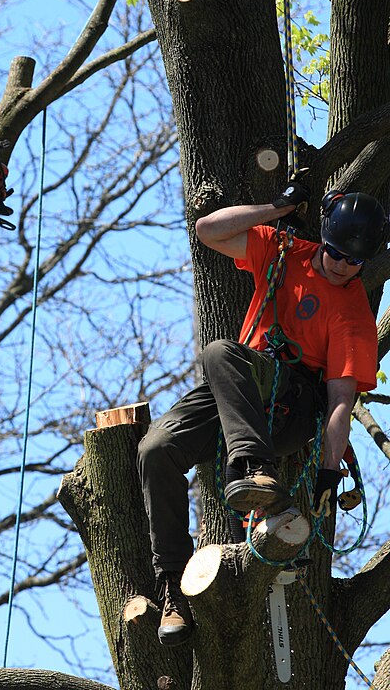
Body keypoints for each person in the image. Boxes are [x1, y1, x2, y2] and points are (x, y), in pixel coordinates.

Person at [138, 183, 386, 647]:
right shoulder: (285, 249)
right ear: (325, 238)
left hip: (290, 407)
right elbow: (207, 230)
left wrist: (328, 475)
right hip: (239, 389)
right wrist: (279, 208)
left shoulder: (353, 314)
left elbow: (338, 401)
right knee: (155, 450)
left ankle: (257, 470)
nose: (342, 266)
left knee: (219, 353)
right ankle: (172, 584)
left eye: (355, 262)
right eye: (336, 253)